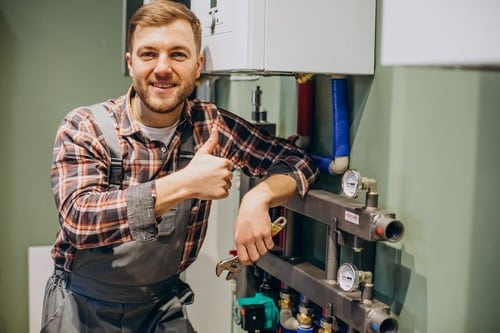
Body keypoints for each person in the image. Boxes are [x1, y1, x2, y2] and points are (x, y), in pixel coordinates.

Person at [41, 1, 319, 332]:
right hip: (82, 307)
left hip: (160, 307)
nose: (162, 68)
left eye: (178, 54)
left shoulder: (210, 126)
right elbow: (79, 219)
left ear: (197, 65)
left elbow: (298, 161)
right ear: (130, 63)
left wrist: (258, 197)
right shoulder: (86, 126)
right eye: (148, 54)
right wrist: (186, 183)